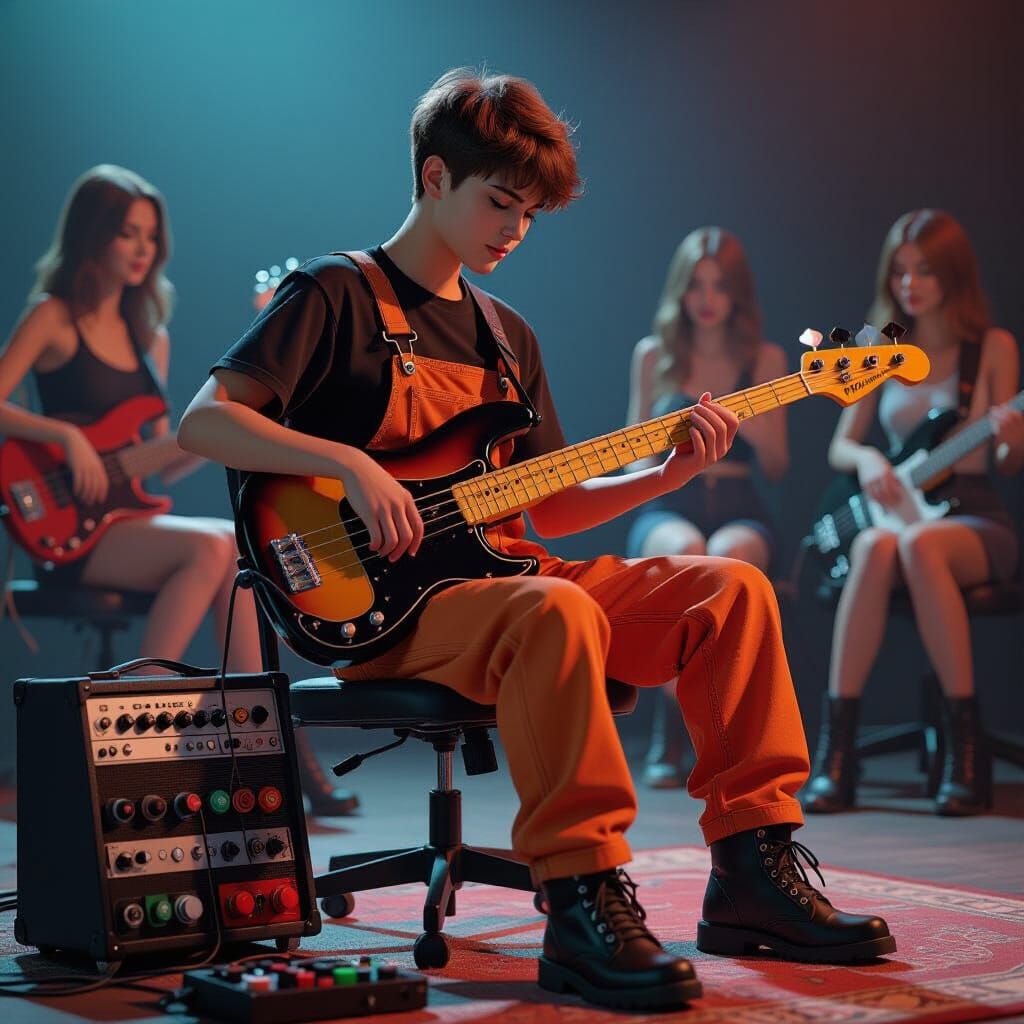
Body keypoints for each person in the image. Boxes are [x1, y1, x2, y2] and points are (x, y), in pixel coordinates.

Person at [179, 69, 893, 1011]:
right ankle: (581, 896)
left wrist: (667, 475)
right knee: (551, 606)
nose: (514, 230)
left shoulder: (506, 335)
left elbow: (543, 506)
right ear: (435, 177)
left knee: (731, 590)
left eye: (530, 214)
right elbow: (206, 421)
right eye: (500, 202)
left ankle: (751, 873)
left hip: (506, 579)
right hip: (382, 606)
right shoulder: (333, 294)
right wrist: (353, 466)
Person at [0, 165, 357, 816]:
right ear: (92, 236)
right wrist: (63, 437)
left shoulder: (150, 338)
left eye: (150, 237)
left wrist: (250, 414)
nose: (141, 249)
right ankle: (140, 724)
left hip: (126, 519)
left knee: (235, 551)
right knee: (211, 549)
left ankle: (260, 741)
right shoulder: (54, 317)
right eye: (127, 233)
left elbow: (170, 456)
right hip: (65, 526)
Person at [805, 210, 1024, 817]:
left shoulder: (994, 348)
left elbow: (1008, 462)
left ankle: (966, 752)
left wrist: (1010, 435)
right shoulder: (881, 346)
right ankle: (836, 756)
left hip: (974, 519)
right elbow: (840, 444)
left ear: (953, 274)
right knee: (874, 546)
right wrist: (871, 460)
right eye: (900, 272)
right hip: (897, 516)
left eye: (925, 271)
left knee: (918, 546)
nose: (910, 284)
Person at [625, 227, 788, 788]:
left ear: (737, 293)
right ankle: (675, 728)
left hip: (741, 498)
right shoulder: (655, 356)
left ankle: (712, 728)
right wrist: (661, 446)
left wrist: (754, 420)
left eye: (720, 286)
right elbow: (627, 465)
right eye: (696, 285)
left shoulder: (764, 357)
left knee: (728, 553)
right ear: (681, 291)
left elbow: (778, 468)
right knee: (688, 552)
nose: (708, 298)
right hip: (668, 500)